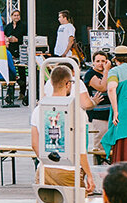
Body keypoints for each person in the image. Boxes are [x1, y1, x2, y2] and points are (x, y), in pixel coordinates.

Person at [33, 64, 97, 193]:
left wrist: (46, 160)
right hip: (69, 170)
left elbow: (35, 143)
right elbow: (80, 150)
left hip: (45, 169)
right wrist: (89, 174)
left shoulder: (39, 109)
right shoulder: (76, 111)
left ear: (51, 82)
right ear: (68, 84)